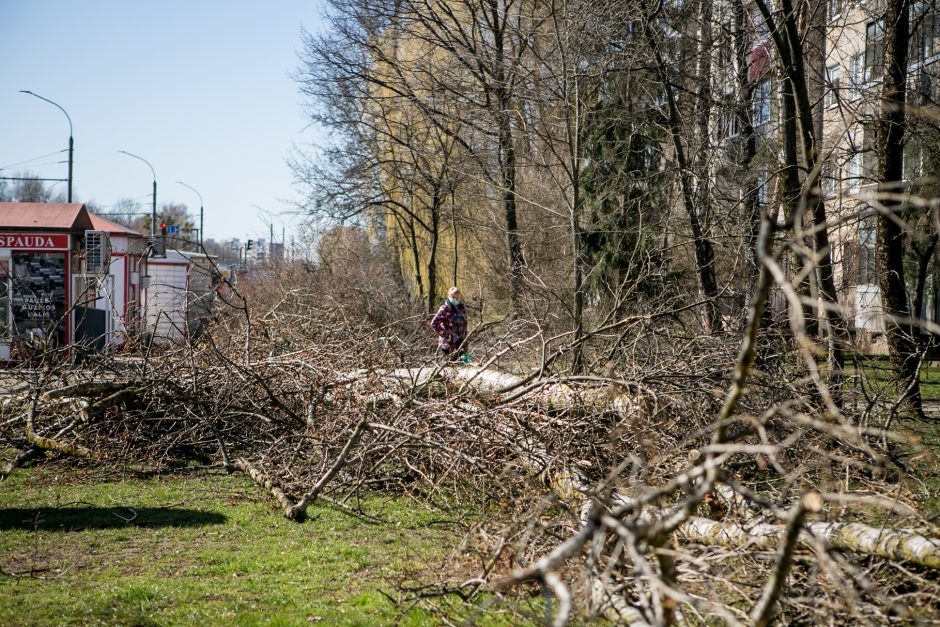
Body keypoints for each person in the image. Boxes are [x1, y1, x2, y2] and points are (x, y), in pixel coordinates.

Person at [430, 287, 467, 361]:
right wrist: (447, 336)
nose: (455, 299)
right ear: (448, 296)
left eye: (457, 297)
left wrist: (465, 338)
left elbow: (464, 323)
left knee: (463, 367)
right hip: (448, 345)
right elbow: (434, 324)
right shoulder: (445, 308)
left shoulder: (461, 308)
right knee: (449, 368)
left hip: (461, 343)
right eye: (453, 297)